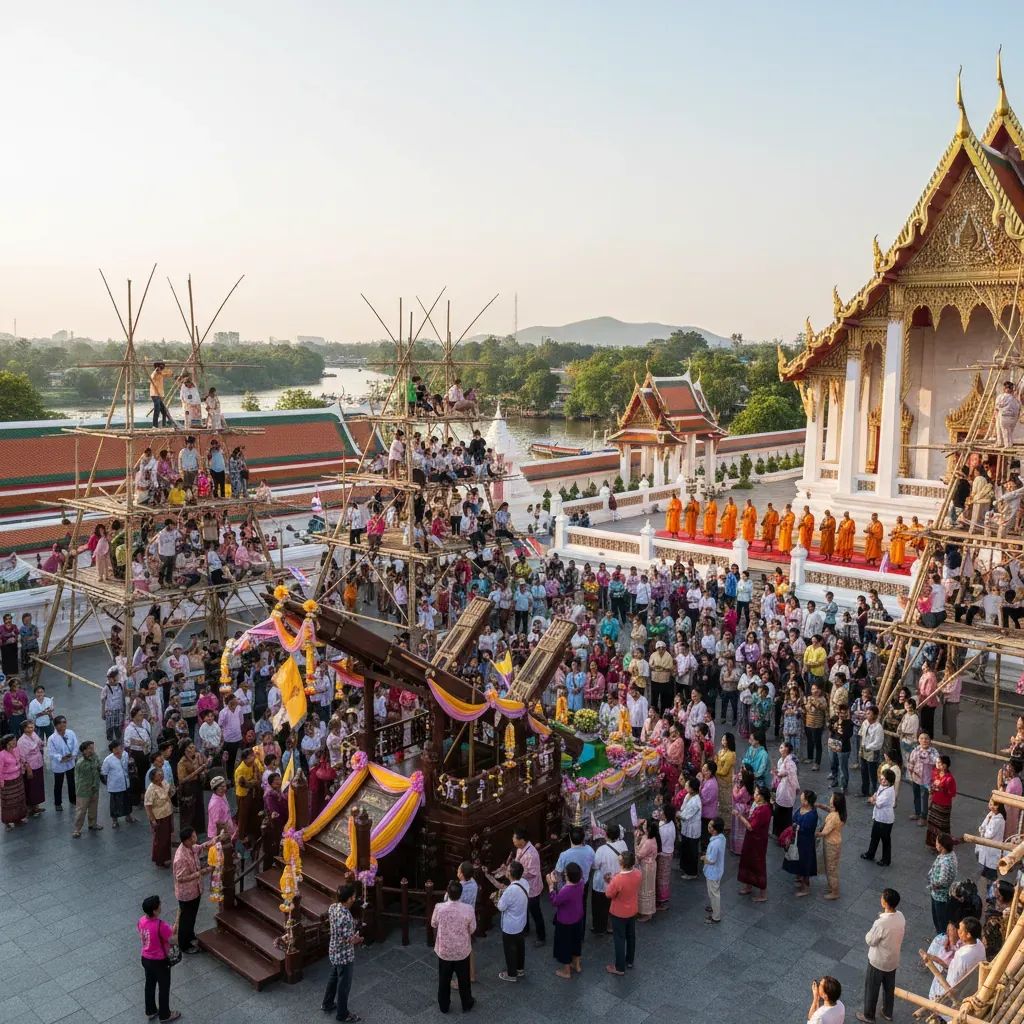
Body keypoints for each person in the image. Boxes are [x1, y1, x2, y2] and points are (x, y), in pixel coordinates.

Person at [859, 887, 905, 1024]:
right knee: (889, 988)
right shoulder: (901, 916)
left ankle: (869, 1015)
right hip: (893, 960)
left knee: (872, 989)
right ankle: (887, 1012)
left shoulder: (881, 923)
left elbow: (870, 940)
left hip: (878, 961)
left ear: (885, 903)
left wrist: (868, 933)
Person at [431, 880, 476, 1014]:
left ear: (447, 893)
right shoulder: (468, 909)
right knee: (464, 980)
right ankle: (466, 1003)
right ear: (461, 893)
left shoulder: (439, 907)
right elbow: (472, 929)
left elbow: (433, 923)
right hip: (462, 951)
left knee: (444, 980)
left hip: (444, 950)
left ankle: (444, 1006)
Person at [322, 883, 363, 1022]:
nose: (355, 898)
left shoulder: (333, 907)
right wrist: (358, 939)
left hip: (334, 950)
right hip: (344, 955)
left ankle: (327, 1003)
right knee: (344, 986)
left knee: (333, 978)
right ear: (350, 899)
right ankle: (342, 1014)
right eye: (354, 896)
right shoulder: (345, 917)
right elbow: (348, 939)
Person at [138, 894, 180, 1023]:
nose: (161, 906)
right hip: (159, 961)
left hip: (145, 958)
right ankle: (165, 1014)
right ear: (155, 910)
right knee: (164, 987)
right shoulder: (160, 925)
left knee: (149, 984)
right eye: (159, 905)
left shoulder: (141, 921)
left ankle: (151, 1010)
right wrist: (177, 927)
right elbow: (173, 940)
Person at [605, 848, 641, 976]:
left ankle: (619, 967)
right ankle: (629, 960)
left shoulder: (618, 879)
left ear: (622, 864)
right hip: (632, 909)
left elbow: (609, 894)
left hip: (619, 913)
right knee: (631, 936)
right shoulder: (637, 873)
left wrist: (609, 881)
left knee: (619, 939)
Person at [173, 828, 207, 955]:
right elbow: (180, 878)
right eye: (193, 837)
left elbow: (199, 848)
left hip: (195, 890)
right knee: (186, 919)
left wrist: (215, 840)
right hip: (187, 894)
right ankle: (184, 944)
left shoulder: (190, 847)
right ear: (186, 840)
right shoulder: (181, 857)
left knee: (191, 916)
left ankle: (190, 935)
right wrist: (200, 873)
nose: (195, 838)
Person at [548, 862, 585, 979]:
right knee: (576, 941)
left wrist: (551, 886)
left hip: (565, 921)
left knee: (565, 945)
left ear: (568, 876)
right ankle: (577, 965)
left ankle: (566, 971)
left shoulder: (566, 890)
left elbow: (555, 901)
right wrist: (558, 882)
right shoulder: (581, 882)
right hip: (578, 917)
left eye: (565, 873)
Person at [591, 824, 628, 935]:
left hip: (603, 884)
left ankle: (600, 928)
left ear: (606, 835)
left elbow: (595, 866)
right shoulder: (623, 844)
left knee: (600, 907)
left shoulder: (601, 850)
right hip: (618, 881)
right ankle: (612, 926)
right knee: (614, 904)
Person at [737, 784, 772, 902]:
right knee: (748, 861)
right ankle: (748, 885)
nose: (755, 796)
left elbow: (751, 826)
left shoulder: (764, 810)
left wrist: (739, 816)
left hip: (757, 841)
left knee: (758, 864)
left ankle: (763, 893)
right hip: (752, 839)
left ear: (762, 797)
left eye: (757, 794)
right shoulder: (759, 806)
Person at [496, 860, 529, 982]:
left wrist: (499, 895)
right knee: (520, 946)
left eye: (507, 869)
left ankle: (511, 974)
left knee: (510, 949)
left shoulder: (510, 890)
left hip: (510, 925)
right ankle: (520, 969)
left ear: (510, 873)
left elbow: (501, 907)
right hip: (521, 921)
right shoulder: (524, 882)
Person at [512, 827, 545, 944]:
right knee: (523, 908)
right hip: (523, 886)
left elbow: (532, 873)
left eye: (515, 838)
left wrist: (517, 874)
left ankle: (541, 937)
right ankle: (525, 929)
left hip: (532, 888)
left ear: (522, 840)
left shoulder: (532, 854)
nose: (513, 840)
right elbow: (516, 862)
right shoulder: (520, 849)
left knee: (535, 912)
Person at [861, 768, 896, 867]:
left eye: (885, 780)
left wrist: (872, 800)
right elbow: (876, 794)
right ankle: (870, 854)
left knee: (885, 840)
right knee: (874, 836)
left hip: (885, 819)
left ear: (890, 781)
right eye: (882, 779)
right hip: (878, 817)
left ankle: (886, 860)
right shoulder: (883, 786)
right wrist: (873, 798)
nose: (882, 781)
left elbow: (878, 803)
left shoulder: (889, 792)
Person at [816, 792, 846, 900]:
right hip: (835, 842)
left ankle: (835, 891)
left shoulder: (833, 818)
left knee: (831, 868)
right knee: (830, 866)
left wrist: (814, 833)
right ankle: (831, 887)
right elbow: (829, 809)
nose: (830, 799)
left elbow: (824, 832)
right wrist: (819, 805)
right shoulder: (838, 813)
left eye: (832, 798)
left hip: (831, 844)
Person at [928, 833, 959, 936]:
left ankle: (941, 942)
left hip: (940, 896)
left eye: (937, 842)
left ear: (941, 846)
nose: (935, 844)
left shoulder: (946, 862)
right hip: (938, 894)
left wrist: (933, 885)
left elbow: (943, 881)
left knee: (940, 922)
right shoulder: (950, 854)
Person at [47, 714, 79, 811]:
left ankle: (73, 799)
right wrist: (61, 758)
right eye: (60, 723)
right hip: (59, 764)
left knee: (71, 782)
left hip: (70, 762)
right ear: (56, 725)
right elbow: (51, 752)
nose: (63, 725)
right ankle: (58, 803)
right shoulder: (52, 738)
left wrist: (73, 755)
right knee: (58, 784)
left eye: (64, 722)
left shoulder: (71, 733)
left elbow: (76, 745)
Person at [71, 739, 102, 838]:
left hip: (94, 787)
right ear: (84, 750)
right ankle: (77, 829)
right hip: (84, 789)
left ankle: (92, 824)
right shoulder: (80, 762)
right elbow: (78, 777)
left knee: (93, 807)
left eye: (92, 748)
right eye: (89, 748)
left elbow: (99, 766)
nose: (92, 750)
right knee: (81, 810)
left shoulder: (95, 757)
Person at [144, 768, 174, 866]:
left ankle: (167, 856)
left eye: (161, 774)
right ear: (153, 778)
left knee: (168, 837)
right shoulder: (151, 790)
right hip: (159, 817)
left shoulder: (164, 783)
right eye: (159, 775)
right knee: (160, 839)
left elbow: (169, 793)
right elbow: (148, 806)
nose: (161, 775)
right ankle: (160, 859)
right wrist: (153, 820)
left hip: (168, 813)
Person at [101, 740, 134, 827]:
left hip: (126, 782)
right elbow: (104, 773)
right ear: (112, 750)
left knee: (127, 801)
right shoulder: (108, 760)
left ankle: (128, 816)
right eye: (115, 748)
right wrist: (108, 783)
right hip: (115, 785)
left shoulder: (125, 754)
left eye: (119, 747)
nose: (118, 750)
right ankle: (115, 820)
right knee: (115, 804)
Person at [926, 755, 956, 848]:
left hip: (943, 805)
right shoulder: (935, 773)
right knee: (932, 823)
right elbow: (932, 784)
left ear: (945, 765)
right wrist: (932, 789)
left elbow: (952, 793)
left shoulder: (949, 779)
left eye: (940, 763)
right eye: (937, 762)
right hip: (935, 802)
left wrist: (942, 788)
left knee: (942, 826)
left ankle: (943, 845)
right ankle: (933, 844)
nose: (937, 764)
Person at [0, 733, 28, 829]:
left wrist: (22, 765)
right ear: (7, 743)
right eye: (13, 741)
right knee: (9, 802)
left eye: (15, 740)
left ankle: (18, 818)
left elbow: (20, 760)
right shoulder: (2, 755)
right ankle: (8, 821)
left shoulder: (16, 749)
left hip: (18, 779)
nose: (15, 742)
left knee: (19, 799)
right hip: (8, 782)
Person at [703, 816, 726, 923]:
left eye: (710, 826)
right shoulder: (722, 838)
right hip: (717, 870)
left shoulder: (715, 844)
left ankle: (715, 916)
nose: (708, 827)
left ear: (715, 830)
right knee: (713, 891)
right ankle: (713, 907)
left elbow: (711, 860)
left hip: (713, 872)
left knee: (714, 893)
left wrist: (704, 858)